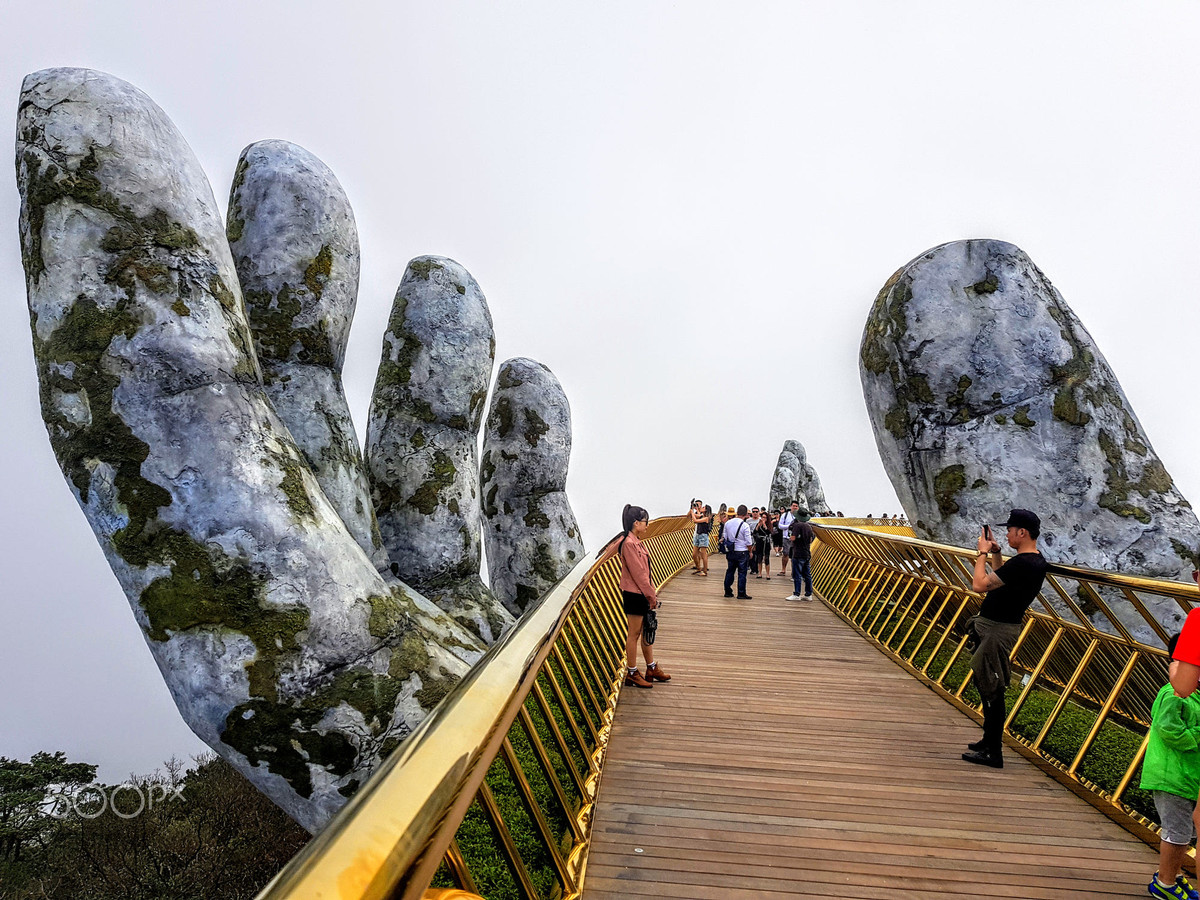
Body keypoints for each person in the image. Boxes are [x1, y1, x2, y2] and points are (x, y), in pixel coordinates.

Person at [962, 509, 1048, 768]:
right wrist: (998, 553)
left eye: (1010, 530)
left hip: (998, 630)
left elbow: (979, 585)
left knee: (992, 689)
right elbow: (1003, 581)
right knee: (987, 684)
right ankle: (988, 741)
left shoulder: (1024, 563)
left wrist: (982, 554)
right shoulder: (1033, 561)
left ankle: (993, 751)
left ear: (1022, 533)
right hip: (999, 627)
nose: (1008, 534)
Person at [1140, 632, 1200, 900]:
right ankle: (1164, 884)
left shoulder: (1192, 693)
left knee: (1184, 832)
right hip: (1171, 775)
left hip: (1185, 776)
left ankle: (1173, 876)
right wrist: (1197, 738)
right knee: (1178, 833)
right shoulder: (1174, 693)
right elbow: (1168, 728)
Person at [617, 504, 670, 688]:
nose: (648, 525)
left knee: (647, 629)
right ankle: (632, 672)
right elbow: (639, 575)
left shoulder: (635, 541)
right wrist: (651, 595)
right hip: (634, 594)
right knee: (634, 634)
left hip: (640, 593)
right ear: (636, 523)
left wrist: (650, 593)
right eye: (645, 522)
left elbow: (644, 573)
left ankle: (651, 667)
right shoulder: (629, 544)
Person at [722, 505, 754, 599]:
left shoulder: (728, 523)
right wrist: (750, 551)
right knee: (742, 573)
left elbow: (725, 536)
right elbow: (748, 542)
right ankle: (741, 593)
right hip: (742, 551)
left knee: (730, 571)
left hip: (731, 551)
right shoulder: (745, 525)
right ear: (746, 514)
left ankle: (727, 591)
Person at [785, 508, 815, 600]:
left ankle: (796, 594)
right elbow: (810, 540)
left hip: (798, 552)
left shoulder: (797, 526)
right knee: (807, 575)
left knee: (797, 574)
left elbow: (793, 538)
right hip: (806, 552)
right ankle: (808, 594)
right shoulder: (808, 526)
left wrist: (790, 537)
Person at [777, 500, 800, 577]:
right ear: (791, 506)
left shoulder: (799, 516)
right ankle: (783, 569)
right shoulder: (785, 515)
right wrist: (788, 526)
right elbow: (780, 525)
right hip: (786, 537)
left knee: (794, 555)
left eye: (796, 506)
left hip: (796, 538)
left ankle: (793, 572)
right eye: (793, 506)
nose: (795, 507)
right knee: (785, 554)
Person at [689, 499, 711, 574]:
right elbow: (695, 516)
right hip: (698, 535)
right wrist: (692, 508)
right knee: (694, 554)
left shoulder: (706, 518)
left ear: (706, 510)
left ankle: (705, 571)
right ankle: (698, 568)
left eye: (704, 507)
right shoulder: (701, 515)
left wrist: (692, 512)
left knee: (703, 554)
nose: (702, 507)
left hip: (703, 536)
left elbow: (695, 520)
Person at [754, 509, 774, 579]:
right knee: (759, 557)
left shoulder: (769, 524)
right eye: (762, 517)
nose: (763, 519)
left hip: (766, 542)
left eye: (765, 517)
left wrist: (765, 525)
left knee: (766, 558)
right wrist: (758, 526)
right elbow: (754, 532)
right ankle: (760, 573)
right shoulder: (758, 524)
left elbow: (769, 532)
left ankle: (767, 574)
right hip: (759, 541)